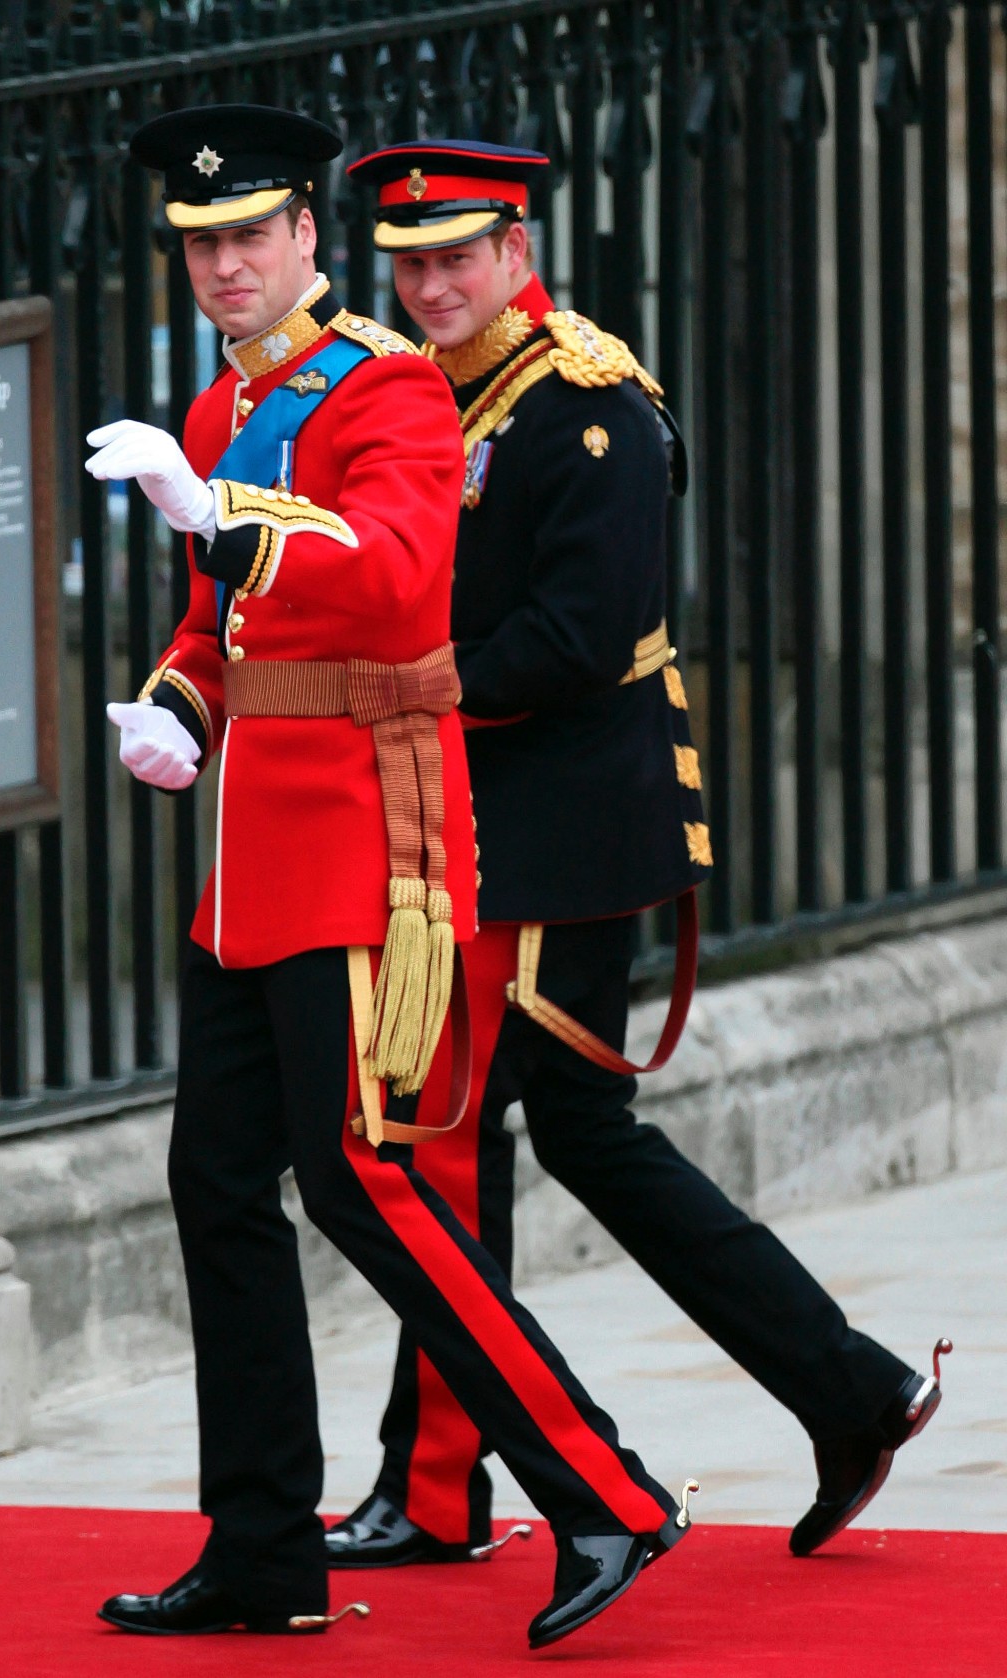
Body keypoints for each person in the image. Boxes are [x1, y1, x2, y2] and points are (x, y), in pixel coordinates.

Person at [83, 104, 696, 1652]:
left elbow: (396, 574)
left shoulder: (394, 386)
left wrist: (216, 518)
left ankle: (604, 1491)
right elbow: (215, 632)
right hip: (247, 863)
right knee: (217, 1183)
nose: (224, 264)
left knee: (368, 1181)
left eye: (250, 237)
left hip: (366, 848)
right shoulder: (223, 413)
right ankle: (263, 1544)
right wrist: (175, 707)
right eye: (201, 244)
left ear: (305, 240)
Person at [327, 137, 949, 1573]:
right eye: (410, 262)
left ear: (518, 248)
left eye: (456, 257)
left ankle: (439, 1488)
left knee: (463, 1142)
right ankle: (847, 1387)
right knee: (499, 1138)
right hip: (487, 825)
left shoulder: (586, 405)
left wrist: (397, 687)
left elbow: (575, 641)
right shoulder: (433, 393)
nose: (430, 284)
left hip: (564, 833)